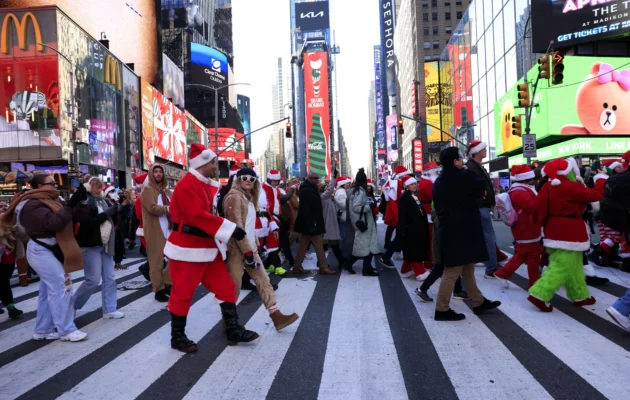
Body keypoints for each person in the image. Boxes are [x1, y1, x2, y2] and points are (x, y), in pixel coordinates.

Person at [165, 144, 259, 352]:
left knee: (225, 287)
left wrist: (226, 230)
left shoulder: (202, 184)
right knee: (182, 293)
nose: (216, 165)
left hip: (207, 246)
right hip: (187, 248)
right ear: (203, 164)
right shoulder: (187, 184)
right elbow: (195, 216)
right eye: (213, 162)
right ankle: (177, 337)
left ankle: (233, 329)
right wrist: (229, 228)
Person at [1, 174, 89, 341]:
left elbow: (79, 217)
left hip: (52, 248)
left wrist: (83, 202)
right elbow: (54, 223)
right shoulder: (31, 205)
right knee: (61, 287)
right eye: (52, 183)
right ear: (40, 186)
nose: (56, 185)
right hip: (41, 250)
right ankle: (66, 330)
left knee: (47, 291)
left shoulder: (53, 200)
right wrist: (70, 205)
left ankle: (43, 329)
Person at [223, 168, 299, 331]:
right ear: (237, 179)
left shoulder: (249, 198)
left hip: (250, 249)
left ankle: (277, 317)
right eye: (244, 177)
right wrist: (248, 251)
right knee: (233, 289)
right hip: (237, 251)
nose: (248, 180)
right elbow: (237, 228)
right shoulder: (234, 198)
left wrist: (255, 243)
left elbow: (249, 224)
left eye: (252, 178)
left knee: (264, 282)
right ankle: (227, 324)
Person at [528, 158, 607, 312]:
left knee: (574, 265)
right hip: (570, 231)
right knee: (562, 266)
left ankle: (580, 295)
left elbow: (538, 209)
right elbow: (596, 194)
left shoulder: (548, 187)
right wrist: (600, 178)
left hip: (553, 228)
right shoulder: (571, 187)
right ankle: (540, 293)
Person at [433, 147, 501, 321]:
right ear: (455, 162)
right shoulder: (461, 177)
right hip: (461, 230)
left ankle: (478, 301)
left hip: (452, 229)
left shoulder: (440, 180)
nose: (463, 161)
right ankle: (442, 309)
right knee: (452, 271)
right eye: (460, 159)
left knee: (468, 268)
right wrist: (465, 170)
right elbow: (480, 186)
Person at [73, 178, 125, 319]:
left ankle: (109, 309)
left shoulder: (103, 200)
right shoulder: (85, 201)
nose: (99, 190)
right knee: (93, 279)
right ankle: (72, 306)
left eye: (100, 187)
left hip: (105, 243)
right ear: (89, 187)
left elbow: (112, 222)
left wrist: (116, 211)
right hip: (90, 244)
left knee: (109, 277)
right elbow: (87, 224)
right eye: (96, 187)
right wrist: (106, 214)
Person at [493, 165, 543, 288]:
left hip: (525, 227)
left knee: (523, 253)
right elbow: (533, 208)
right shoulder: (520, 192)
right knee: (533, 254)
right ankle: (534, 282)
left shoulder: (519, 189)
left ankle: (503, 273)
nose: (535, 180)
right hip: (527, 228)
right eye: (532, 178)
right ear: (526, 179)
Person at [465, 140, 499, 278]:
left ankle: (483, 264)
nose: (486, 151)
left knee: (478, 237)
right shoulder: (472, 167)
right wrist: (484, 197)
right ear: (477, 152)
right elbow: (473, 187)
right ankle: (490, 268)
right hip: (480, 206)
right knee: (489, 237)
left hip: (480, 206)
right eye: (484, 149)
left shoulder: (476, 166)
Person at [292, 172, 337, 275]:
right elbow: (307, 209)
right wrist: (313, 224)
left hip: (308, 224)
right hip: (311, 224)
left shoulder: (309, 189)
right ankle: (323, 267)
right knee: (319, 245)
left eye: (317, 178)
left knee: (303, 246)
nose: (316, 180)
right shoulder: (307, 190)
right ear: (308, 179)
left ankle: (297, 266)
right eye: (314, 178)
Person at [141, 164, 173, 302]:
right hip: (155, 229)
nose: (159, 174)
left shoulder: (165, 191)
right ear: (151, 174)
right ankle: (158, 290)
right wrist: (168, 209)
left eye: (161, 172)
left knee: (174, 258)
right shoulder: (147, 190)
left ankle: (166, 283)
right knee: (156, 261)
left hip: (169, 229)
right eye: (156, 172)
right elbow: (152, 208)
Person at [344, 168, 380, 276]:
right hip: (363, 222)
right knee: (368, 246)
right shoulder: (360, 191)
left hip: (359, 222)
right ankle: (363, 268)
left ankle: (365, 266)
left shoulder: (353, 190)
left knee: (364, 246)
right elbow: (356, 207)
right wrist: (370, 206)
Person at [397, 175, 430, 281]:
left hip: (418, 228)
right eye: (412, 184)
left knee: (412, 251)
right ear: (406, 186)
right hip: (410, 229)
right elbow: (402, 216)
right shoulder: (404, 198)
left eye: (415, 183)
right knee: (414, 251)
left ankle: (405, 270)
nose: (415, 186)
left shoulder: (414, 196)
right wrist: (402, 231)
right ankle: (420, 272)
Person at [260, 170, 291, 276]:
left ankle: (270, 265)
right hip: (268, 218)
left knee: (272, 242)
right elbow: (264, 206)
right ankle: (276, 266)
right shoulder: (263, 189)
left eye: (276, 181)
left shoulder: (276, 190)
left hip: (275, 218)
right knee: (272, 241)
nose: (274, 183)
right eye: (273, 181)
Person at [380, 166, 412, 266]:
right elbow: (393, 201)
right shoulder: (397, 183)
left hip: (401, 214)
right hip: (400, 214)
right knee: (400, 237)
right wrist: (398, 216)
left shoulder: (399, 183)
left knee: (400, 236)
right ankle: (386, 256)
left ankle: (396, 253)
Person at [416, 161, 441, 272]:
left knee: (432, 238)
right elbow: (435, 196)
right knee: (432, 239)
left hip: (430, 213)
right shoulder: (427, 183)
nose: (438, 171)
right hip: (429, 214)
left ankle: (432, 261)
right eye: (436, 170)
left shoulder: (428, 181)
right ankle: (431, 261)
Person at [0, 224, 28, 318]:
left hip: (9, 255)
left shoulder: (9, 214)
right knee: (4, 282)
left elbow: (22, 233)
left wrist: (14, 226)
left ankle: (10, 307)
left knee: (5, 280)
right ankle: (11, 308)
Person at [320, 172, 345, 268]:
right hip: (327, 224)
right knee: (327, 244)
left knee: (331, 244)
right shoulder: (322, 197)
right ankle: (322, 262)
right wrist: (334, 178)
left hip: (331, 224)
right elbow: (330, 189)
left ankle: (339, 261)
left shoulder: (330, 199)